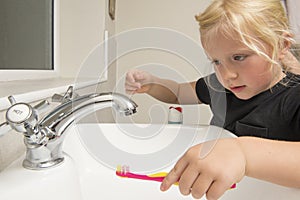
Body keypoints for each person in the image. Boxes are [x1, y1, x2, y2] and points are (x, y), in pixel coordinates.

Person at [125, 0, 300, 199]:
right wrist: (154, 84)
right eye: (216, 61)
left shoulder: (294, 97)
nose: (227, 75)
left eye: (239, 57)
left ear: (281, 46)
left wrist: (243, 152)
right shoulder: (220, 87)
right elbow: (179, 93)